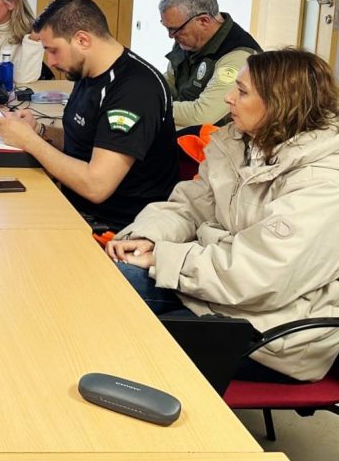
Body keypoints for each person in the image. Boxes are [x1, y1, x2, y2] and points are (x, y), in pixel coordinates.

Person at [107, 49, 339, 382]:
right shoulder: (238, 142)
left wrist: (162, 258)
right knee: (108, 283)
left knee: (125, 338)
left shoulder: (325, 180)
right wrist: (148, 236)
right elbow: (190, 206)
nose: (228, 98)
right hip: (216, 292)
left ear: (281, 104)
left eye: (242, 91)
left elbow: (259, 274)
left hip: (274, 331)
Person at [0, 0, 178, 231]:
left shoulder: (135, 90)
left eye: (53, 50)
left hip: (117, 227)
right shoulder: (88, 72)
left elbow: (96, 186)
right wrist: (39, 130)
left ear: (82, 40)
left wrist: (29, 141)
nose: (51, 61)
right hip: (77, 208)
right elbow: (85, 141)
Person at [158, 0, 261, 128]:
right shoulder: (187, 41)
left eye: (175, 29)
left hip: (220, 138)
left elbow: (203, 115)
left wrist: (150, 106)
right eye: (167, 28)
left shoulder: (238, 56)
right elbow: (169, 82)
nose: (170, 36)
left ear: (204, 21)